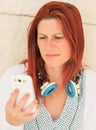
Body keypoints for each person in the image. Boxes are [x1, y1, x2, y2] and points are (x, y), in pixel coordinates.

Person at [0, 1, 96, 130]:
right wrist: (11, 122)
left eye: (58, 37)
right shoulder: (15, 76)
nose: (49, 46)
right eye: (43, 37)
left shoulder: (90, 82)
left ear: (75, 41)